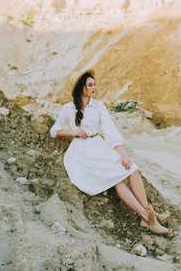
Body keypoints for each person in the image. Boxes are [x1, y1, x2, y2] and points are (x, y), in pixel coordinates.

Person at [50, 69, 170, 235]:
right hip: (82, 151)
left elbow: (110, 130)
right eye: (90, 85)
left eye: (94, 84)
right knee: (117, 179)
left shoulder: (98, 105)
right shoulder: (68, 108)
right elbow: (54, 130)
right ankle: (148, 217)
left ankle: (149, 214)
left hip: (99, 144)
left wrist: (122, 153)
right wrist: (73, 132)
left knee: (132, 168)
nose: (94, 88)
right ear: (82, 87)